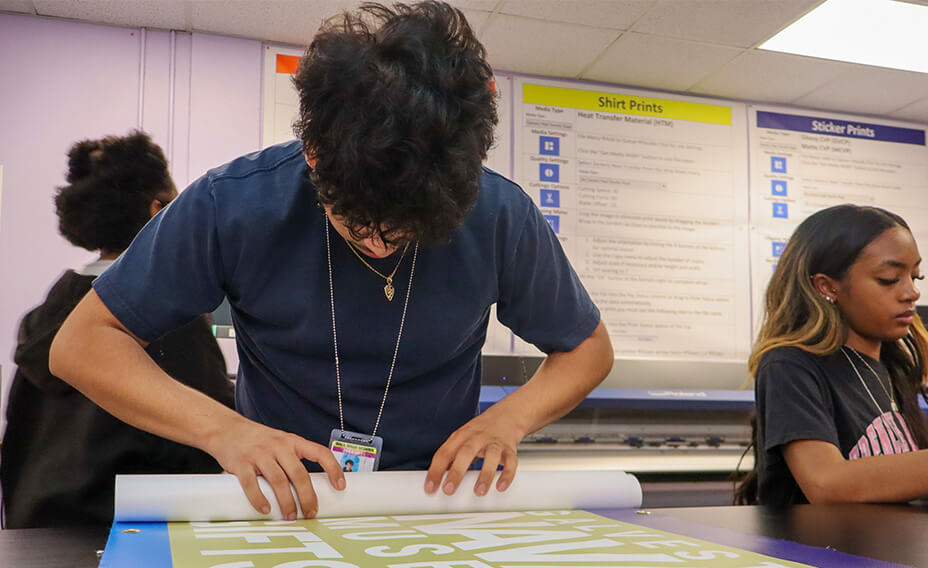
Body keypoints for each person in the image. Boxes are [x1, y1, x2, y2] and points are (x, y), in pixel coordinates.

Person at [49, 2, 614, 522]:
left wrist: (508, 421)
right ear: (314, 158)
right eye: (363, 223)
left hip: (437, 505)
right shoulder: (233, 203)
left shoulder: (498, 212)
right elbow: (84, 345)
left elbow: (587, 348)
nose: (383, 246)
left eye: (409, 230)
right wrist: (223, 431)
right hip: (281, 503)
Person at [0, 131, 235, 528]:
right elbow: (206, 445)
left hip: (34, 532)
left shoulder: (45, 316)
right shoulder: (167, 320)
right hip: (131, 537)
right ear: (157, 212)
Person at [735, 203, 928, 506]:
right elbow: (827, 484)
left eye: (915, 277)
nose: (911, 292)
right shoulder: (789, 365)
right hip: (816, 553)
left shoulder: (891, 366)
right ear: (827, 287)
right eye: (890, 279)